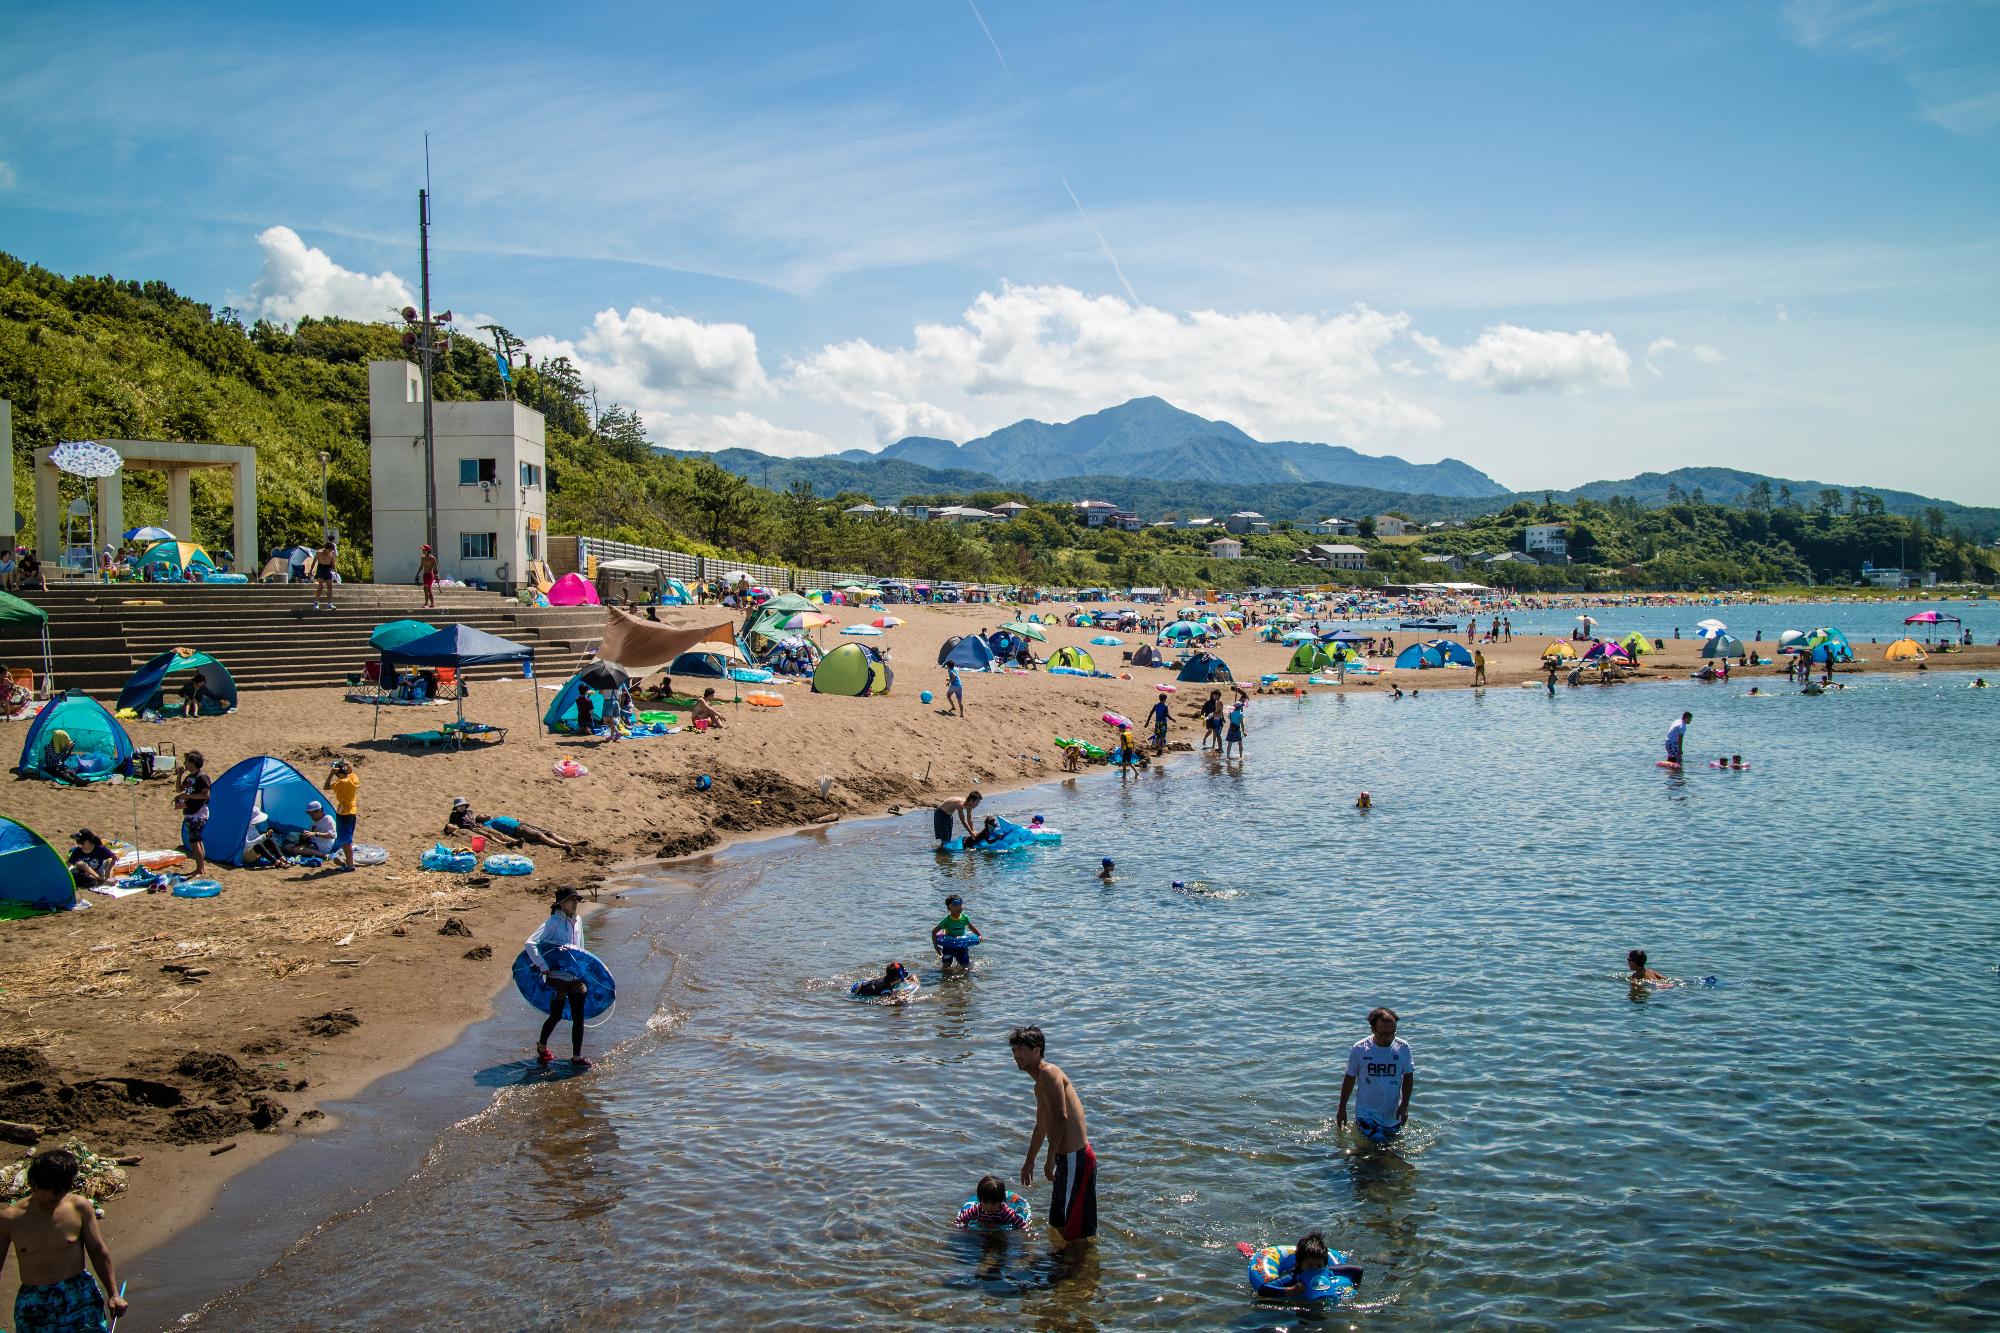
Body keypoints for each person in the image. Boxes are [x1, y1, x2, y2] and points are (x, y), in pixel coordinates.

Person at [1, 1148, 128, 1333]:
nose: (58, 1199)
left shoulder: (79, 1207)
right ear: (34, 1185)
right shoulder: (9, 1219)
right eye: (52, 1195)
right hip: (35, 1302)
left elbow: (98, 1250)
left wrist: (114, 1294)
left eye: (63, 1192)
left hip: (78, 1294)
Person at [1010, 1026, 1095, 1248]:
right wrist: (1029, 1162)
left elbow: (1060, 1117)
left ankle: (1078, 1273)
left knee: (1074, 1230)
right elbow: (1041, 1126)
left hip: (1075, 1158)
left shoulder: (1049, 1072)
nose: (1016, 1055)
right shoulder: (1039, 1085)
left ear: (1037, 1051)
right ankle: (1063, 1269)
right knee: (1058, 1223)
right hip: (1065, 1160)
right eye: (1013, 1050)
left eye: (1021, 1049)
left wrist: (1048, 1160)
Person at [524, 888, 592, 1068]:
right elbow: (530, 943)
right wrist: (543, 966)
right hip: (557, 977)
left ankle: (576, 1058)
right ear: (561, 903)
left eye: (576, 900)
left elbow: (581, 947)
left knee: (579, 1018)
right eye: (571, 900)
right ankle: (542, 1047)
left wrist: (583, 969)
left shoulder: (578, 920)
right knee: (556, 1016)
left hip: (575, 977)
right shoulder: (553, 922)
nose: (575, 903)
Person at [1337, 1007, 1413, 1144]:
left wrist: (1405, 1105)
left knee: (1391, 1149)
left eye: (1392, 1033)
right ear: (1373, 1029)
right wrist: (1342, 1108)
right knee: (1379, 1148)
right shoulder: (1360, 1049)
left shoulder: (1403, 1048)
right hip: (1366, 1114)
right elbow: (1349, 1078)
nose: (1389, 1038)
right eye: (1384, 1034)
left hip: (1392, 1113)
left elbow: (1408, 1076)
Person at [445, 797, 580, 853]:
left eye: (463, 806)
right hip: (514, 829)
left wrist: (517, 819)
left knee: (548, 832)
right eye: (459, 806)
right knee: (490, 835)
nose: (485, 814)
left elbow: (476, 821)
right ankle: (563, 845)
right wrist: (453, 828)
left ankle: (571, 842)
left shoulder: (471, 813)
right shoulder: (488, 822)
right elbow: (451, 825)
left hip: (519, 824)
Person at [176, 749, 211, 877]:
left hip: (198, 813)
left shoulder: (202, 777)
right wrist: (179, 776)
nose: (184, 764)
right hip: (190, 813)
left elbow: (206, 795)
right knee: (197, 841)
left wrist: (189, 796)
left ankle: (200, 870)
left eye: (186, 761)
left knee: (194, 842)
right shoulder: (189, 777)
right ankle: (201, 868)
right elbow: (179, 789)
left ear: (192, 763)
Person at [955, 1174, 1032, 1232]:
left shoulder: (1005, 1211)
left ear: (1001, 1201)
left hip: (999, 1228)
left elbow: (1021, 1223)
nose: (990, 1207)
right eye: (986, 1202)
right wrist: (964, 1229)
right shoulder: (976, 1209)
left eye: (994, 1203)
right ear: (981, 1200)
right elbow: (961, 1219)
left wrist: (1026, 1234)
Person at [325, 757, 359, 872]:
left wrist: (330, 774)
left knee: (345, 840)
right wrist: (346, 766)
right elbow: (350, 771)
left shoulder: (340, 783)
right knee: (348, 837)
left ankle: (350, 865)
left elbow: (326, 787)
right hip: (352, 812)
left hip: (343, 813)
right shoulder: (353, 779)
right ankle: (349, 863)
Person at [933, 894, 980, 968]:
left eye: (960, 904)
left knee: (965, 966)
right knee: (946, 967)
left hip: (961, 946)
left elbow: (970, 927)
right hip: (948, 946)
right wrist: (935, 946)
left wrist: (979, 935)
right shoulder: (947, 920)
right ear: (949, 908)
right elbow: (934, 931)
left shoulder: (964, 918)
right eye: (955, 905)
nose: (959, 907)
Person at [310, 538, 337, 611]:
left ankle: (329, 604)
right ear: (326, 548)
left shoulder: (331, 553)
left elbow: (332, 563)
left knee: (330, 587)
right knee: (321, 587)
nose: (330, 551)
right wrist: (311, 570)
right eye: (329, 550)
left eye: (331, 550)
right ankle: (316, 602)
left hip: (328, 569)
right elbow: (314, 562)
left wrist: (335, 571)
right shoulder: (319, 552)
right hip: (321, 569)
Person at [418, 543, 438, 610]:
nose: (423, 551)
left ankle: (431, 603)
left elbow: (435, 567)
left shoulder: (432, 558)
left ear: (427, 550)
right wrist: (417, 574)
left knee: (428, 589)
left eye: (424, 550)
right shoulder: (422, 557)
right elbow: (421, 567)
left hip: (430, 575)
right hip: (425, 575)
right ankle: (428, 603)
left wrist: (437, 575)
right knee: (425, 589)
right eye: (422, 550)